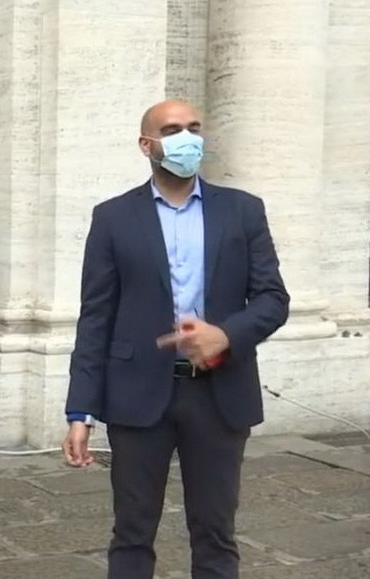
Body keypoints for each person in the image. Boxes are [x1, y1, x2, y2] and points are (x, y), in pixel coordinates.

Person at [62, 100, 290, 579]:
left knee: (216, 533)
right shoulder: (113, 217)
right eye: (172, 130)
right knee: (131, 532)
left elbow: (273, 299)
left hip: (219, 395)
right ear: (147, 145)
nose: (187, 138)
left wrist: (225, 335)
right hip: (137, 395)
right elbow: (96, 318)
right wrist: (80, 410)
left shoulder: (243, 211)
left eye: (193, 128)